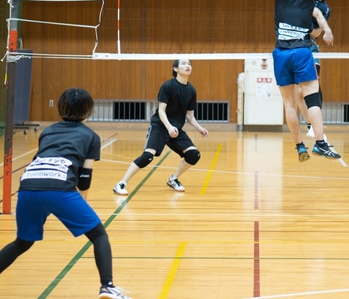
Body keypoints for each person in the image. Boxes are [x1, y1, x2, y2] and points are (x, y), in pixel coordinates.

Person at [0, 88, 132, 299]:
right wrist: (83, 201)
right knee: (98, 234)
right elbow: (85, 176)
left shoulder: (48, 131)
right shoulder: (91, 136)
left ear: (60, 109)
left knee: (22, 243)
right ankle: (107, 285)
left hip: (27, 187)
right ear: (89, 111)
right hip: (59, 187)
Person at [273, 0, 339, 162]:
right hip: (302, 51)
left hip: (280, 53)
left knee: (289, 103)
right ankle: (320, 143)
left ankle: (300, 146)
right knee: (312, 97)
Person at [113, 59, 208, 195]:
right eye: (183, 64)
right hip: (160, 126)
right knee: (147, 156)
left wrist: (199, 128)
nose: (187, 66)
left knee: (194, 155)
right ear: (176, 69)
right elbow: (161, 111)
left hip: (176, 129)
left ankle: (173, 179)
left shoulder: (191, 90)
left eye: (189, 64)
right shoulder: (168, 86)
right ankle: (121, 183)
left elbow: (189, 115)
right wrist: (169, 127)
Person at [304, 0, 334, 139]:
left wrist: (322, 30)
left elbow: (316, 32)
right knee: (298, 91)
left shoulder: (325, 8)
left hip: (311, 48)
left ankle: (315, 124)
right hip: (297, 47)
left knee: (314, 85)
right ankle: (311, 124)